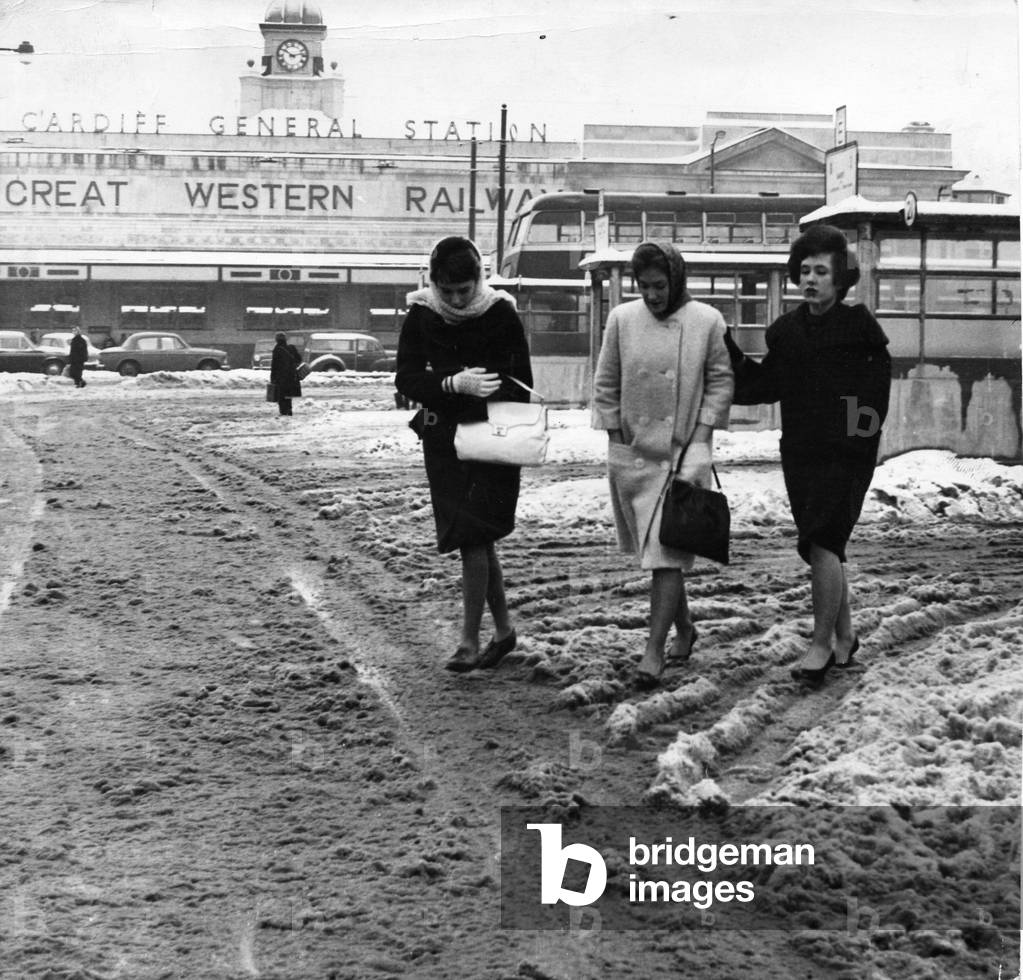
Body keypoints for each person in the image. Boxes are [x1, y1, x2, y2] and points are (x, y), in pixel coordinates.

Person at [724, 224, 891, 685]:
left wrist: (857, 445)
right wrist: (729, 353)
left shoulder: (860, 329)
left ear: (840, 277)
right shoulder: (788, 333)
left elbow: (874, 397)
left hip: (846, 456)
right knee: (825, 544)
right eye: (805, 270)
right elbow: (764, 386)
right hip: (800, 453)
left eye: (821, 270)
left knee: (822, 540)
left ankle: (820, 644)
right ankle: (845, 636)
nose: (812, 278)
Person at [592, 241, 734, 687]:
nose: (652, 295)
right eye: (644, 286)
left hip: (681, 454)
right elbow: (606, 382)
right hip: (634, 455)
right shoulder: (622, 320)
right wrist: (616, 436)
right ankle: (685, 629)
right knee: (661, 552)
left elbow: (720, 381)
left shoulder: (707, 320)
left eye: (660, 285)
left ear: (677, 279)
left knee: (666, 554)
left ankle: (653, 650)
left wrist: (703, 438)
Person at [395, 236, 534, 673]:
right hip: (442, 442)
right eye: (447, 291)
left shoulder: (500, 312)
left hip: (492, 436)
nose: (456, 300)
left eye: (464, 290)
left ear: (479, 278)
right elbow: (406, 378)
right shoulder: (420, 314)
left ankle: (468, 641)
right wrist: (451, 384)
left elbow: (521, 382)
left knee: (473, 536)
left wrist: (486, 390)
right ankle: (504, 631)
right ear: (433, 281)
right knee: (475, 539)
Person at [269, 332, 302, 416]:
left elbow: (274, 365)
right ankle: (289, 409)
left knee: (281, 394)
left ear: (276, 340)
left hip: (281, 376)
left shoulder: (277, 349)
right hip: (291, 375)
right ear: (285, 339)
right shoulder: (291, 348)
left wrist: (273, 377)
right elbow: (299, 359)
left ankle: (283, 411)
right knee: (288, 394)